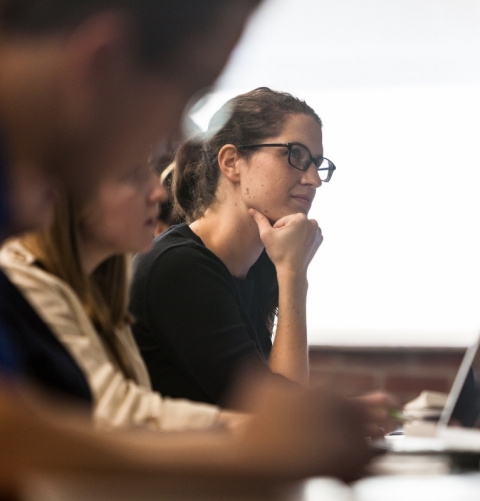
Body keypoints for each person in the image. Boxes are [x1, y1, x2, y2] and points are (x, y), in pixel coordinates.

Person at [0, 0, 374, 495]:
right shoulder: (177, 266)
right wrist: (253, 448)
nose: (177, 136)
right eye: (187, 90)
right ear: (102, 63)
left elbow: (20, 426)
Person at [0, 157, 244, 430]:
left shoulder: (100, 290)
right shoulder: (19, 280)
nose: (158, 192)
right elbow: (110, 410)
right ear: (72, 188)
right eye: (132, 175)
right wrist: (241, 428)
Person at [130, 88, 331, 405]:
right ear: (232, 161)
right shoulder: (178, 267)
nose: (314, 180)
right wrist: (293, 274)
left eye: (317, 163)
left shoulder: (254, 267)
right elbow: (277, 416)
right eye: (295, 155)